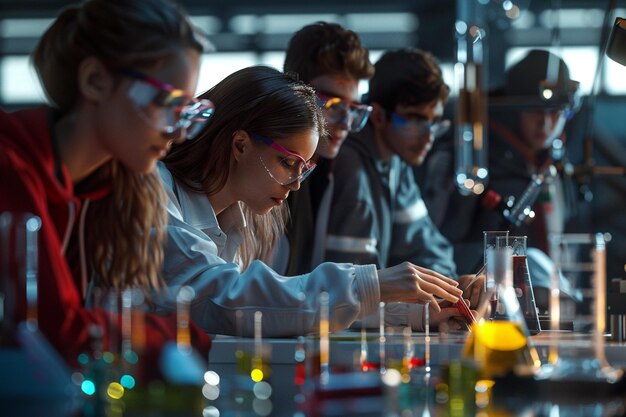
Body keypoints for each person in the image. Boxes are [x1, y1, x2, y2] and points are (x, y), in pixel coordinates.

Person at [155, 65, 464, 337]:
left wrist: (418, 312)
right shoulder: (158, 195)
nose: (296, 184)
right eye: (287, 162)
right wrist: (368, 284)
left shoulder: (242, 222)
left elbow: (286, 308)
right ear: (240, 145)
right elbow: (226, 299)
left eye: (304, 168)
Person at [0, 0, 214, 371]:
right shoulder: (10, 167)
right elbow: (58, 337)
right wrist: (181, 336)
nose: (178, 133)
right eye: (166, 103)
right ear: (95, 81)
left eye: (187, 114)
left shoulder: (96, 191)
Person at [320, 49, 481, 331]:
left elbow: (428, 249)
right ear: (379, 115)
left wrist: (454, 291)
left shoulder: (396, 163)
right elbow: (354, 292)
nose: (428, 136)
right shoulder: (351, 169)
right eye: (416, 119)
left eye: (434, 122)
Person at [420, 49, 581, 314]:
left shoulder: (552, 165)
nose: (546, 123)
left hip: (540, 308)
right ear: (512, 107)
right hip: (476, 304)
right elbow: (438, 245)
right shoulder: (472, 159)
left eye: (556, 112)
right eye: (534, 110)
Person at [265, 21, 375, 276]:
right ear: (295, 92)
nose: (345, 124)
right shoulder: (260, 169)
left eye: (353, 110)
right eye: (334, 105)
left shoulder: (327, 170)